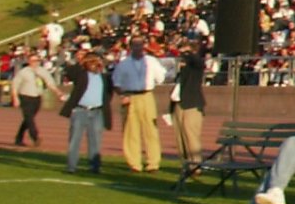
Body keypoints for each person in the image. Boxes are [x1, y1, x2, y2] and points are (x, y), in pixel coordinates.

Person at [109, 37, 169, 173]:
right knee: (131, 131)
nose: (138, 47)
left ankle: (153, 163)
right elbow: (116, 83)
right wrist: (122, 95)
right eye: (135, 45)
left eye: (140, 44)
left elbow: (161, 77)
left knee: (151, 130)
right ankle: (134, 163)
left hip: (147, 95)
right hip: (130, 96)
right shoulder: (124, 64)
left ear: (144, 46)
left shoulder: (151, 61)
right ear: (130, 47)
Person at [58, 50, 112, 174]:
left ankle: (95, 166)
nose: (94, 65)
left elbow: (109, 93)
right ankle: (71, 166)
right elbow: (70, 72)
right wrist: (81, 61)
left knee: (95, 140)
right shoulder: (81, 74)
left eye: (96, 62)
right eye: (91, 62)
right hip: (80, 110)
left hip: (97, 111)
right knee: (75, 140)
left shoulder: (104, 77)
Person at [10, 49, 61, 148]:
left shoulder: (42, 71)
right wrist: (15, 98)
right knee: (29, 118)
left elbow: (50, 82)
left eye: (37, 60)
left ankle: (18, 138)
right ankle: (35, 137)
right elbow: (15, 85)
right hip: (25, 97)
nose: (35, 63)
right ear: (29, 61)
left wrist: (57, 92)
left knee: (28, 119)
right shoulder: (23, 72)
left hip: (37, 97)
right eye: (33, 61)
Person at [170, 45, 209, 172]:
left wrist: (188, 53)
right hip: (178, 104)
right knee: (180, 136)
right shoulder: (183, 70)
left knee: (191, 136)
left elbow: (198, 62)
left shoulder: (196, 69)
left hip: (192, 104)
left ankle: (196, 166)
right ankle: (185, 164)